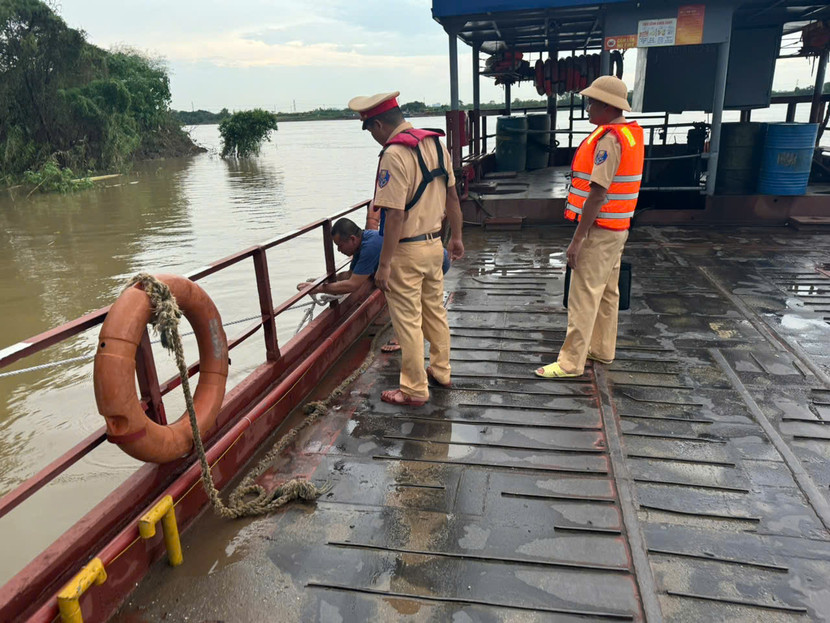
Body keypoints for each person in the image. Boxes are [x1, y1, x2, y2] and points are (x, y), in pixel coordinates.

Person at [348, 91, 464, 406]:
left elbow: (394, 214)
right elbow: (452, 197)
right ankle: (440, 371)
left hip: (406, 251)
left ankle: (413, 389)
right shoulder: (437, 145)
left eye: (371, 130)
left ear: (380, 124)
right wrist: (457, 238)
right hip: (434, 245)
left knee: (408, 320)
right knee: (435, 313)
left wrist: (383, 266)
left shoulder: (394, 154)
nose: (373, 137)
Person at [535, 76, 644, 378]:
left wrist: (578, 239)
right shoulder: (630, 134)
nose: (588, 107)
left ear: (608, 106)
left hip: (600, 229)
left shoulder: (609, 140)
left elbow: (597, 193)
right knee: (608, 292)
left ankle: (571, 362)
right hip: (619, 228)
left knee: (582, 295)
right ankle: (602, 349)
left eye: (592, 102)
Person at [296, 217, 382, 295]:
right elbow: (349, 275)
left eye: (340, 245)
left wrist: (319, 288)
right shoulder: (361, 244)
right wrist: (321, 281)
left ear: (352, 239)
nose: (338, 250)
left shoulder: (370, 247)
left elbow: (352, 285)